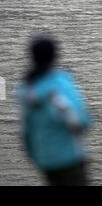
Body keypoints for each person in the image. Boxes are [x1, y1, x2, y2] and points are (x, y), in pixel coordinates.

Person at [18, 35, 91, 186]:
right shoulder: (60, 82)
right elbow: (82, 121)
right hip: (69, 157)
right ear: (55, 56)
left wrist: (35, 156)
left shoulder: (25, 89)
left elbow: (25, 132)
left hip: (44, 160)